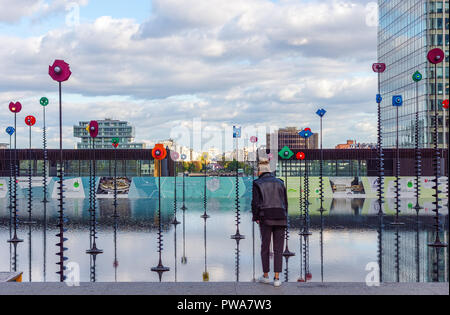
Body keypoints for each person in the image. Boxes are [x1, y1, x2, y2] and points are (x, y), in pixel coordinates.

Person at [252, 157, 288, 287]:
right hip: (281, 216)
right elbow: (285, 201)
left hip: (265, 217)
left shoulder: (257, 183)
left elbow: (255, 203)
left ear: (259, 171)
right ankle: (277, 278)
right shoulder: (280, 182)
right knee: (279, 249)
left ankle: (266, 276)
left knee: (265, 247)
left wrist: (255, 217)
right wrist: (285, 216)